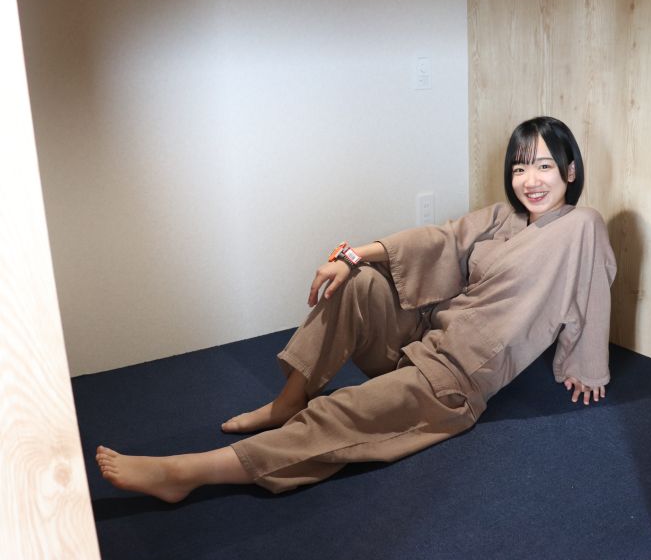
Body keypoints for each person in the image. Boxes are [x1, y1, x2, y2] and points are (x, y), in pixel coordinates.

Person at [96, 116, 617, 502]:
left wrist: (585, 365)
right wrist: (353, 256)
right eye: (521, 167)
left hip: (453, 379)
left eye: (544, 166)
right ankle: (288, 399)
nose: (531, 180)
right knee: (359, 285)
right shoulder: (504, 216)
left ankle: (187, 473)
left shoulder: (581, 226)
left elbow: (592, 290)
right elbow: (440, 240)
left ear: (570, 170)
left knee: (343, 412)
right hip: (422, 335)